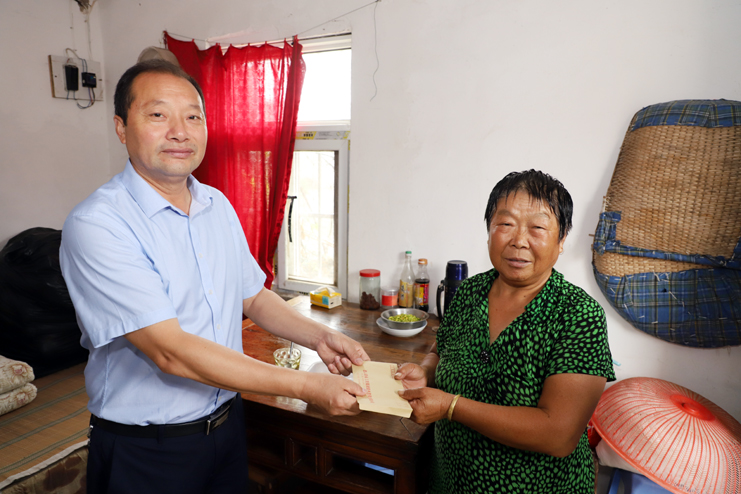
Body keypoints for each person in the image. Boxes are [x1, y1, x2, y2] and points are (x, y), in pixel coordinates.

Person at [59, 60, 369, 494]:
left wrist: (320, 337)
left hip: (227, 428)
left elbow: (253, 297)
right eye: (158, 114)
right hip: (149, 449)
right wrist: (307, 385)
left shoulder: (215, 205)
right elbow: (171, 352)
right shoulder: (99, 224)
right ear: (121, 127)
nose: (179, 132)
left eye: (193, 116)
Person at [395, 170, 615, 494]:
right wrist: (426, 372)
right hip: (452, 482)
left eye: (538, 228)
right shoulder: (469, 293)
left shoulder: (578, 315)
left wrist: (451, 406)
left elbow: (559, 435)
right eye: (506, 224)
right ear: (489, 232)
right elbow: (441, 350)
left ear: (561, 240)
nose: (519, 240)